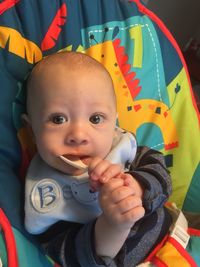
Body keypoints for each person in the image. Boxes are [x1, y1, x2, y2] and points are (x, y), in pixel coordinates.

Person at [23, 51, 172, 267]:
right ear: (31, 130)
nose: (78, 135)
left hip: (178, 235)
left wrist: (137, 188)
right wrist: (113, 225)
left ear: (114, 122)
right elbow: (73, 258)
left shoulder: (122, 149)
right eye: (58, 119)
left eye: (95, 118)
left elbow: (164, 177)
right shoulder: (45, 198)